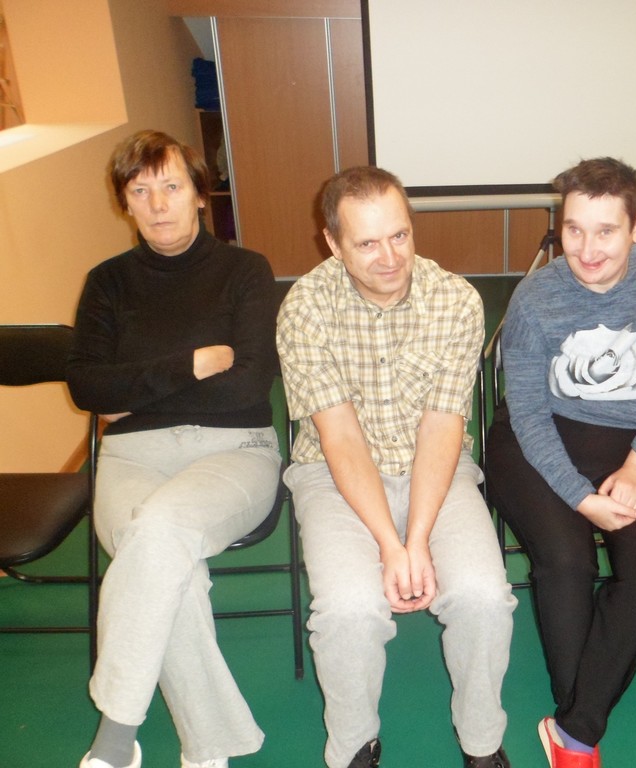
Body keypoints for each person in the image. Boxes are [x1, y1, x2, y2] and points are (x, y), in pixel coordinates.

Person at [275, 166, 517, 768]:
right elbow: (340, 437)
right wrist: (392, 545)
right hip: (334, 472)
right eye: (366, 243)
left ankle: (482, 741)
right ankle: (355, 746)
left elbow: (442, 427)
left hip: (435, 466)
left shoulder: (455, 301)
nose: (390, 258)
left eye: (399, 236)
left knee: (484, 598)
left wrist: (419, 537)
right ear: (333, 244)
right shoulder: (305, 307)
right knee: (349, 611)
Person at [67, 130, 282, 768]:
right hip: (132, 458)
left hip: (236, 450)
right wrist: (191, 365)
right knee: (169, 565)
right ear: (125, 203)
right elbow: (87, 389)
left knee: (157, 531)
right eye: (140, 191)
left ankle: (115, 738)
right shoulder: (107, 283)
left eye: (172, 186)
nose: (158, 204)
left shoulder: (246, 271)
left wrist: (133, 391)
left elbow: (249, 385)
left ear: (199, 194)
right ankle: (207, 748)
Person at [486, 157, 636, 768]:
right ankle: (578, 725)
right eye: (573, 230)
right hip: (540, 438)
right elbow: (527, 413)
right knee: (566, 562)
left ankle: (574, 727)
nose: (586, 250)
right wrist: (581, 497)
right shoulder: (536, 296)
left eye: (606, 231)